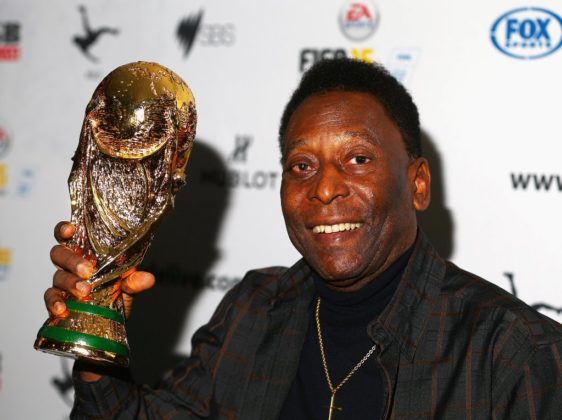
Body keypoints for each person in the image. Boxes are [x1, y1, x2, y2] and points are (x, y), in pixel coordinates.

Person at [45, 58, 562, 419]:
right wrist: (98, 335)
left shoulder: (513, 353)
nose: (325, 188)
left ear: (418, 185)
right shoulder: (254, 309)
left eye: (357, 158)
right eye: (302, 165)